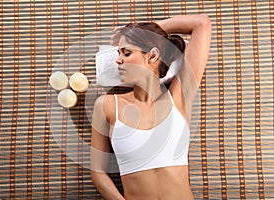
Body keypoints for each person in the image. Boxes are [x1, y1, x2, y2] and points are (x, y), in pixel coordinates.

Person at [90, 14, 211, 200]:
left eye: (126, 53)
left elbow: (201, 24)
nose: (118, 60)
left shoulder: (179, 98)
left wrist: (150, 29)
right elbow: (98, 172)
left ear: (153, 55)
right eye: (118, 53)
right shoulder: (107, 106)